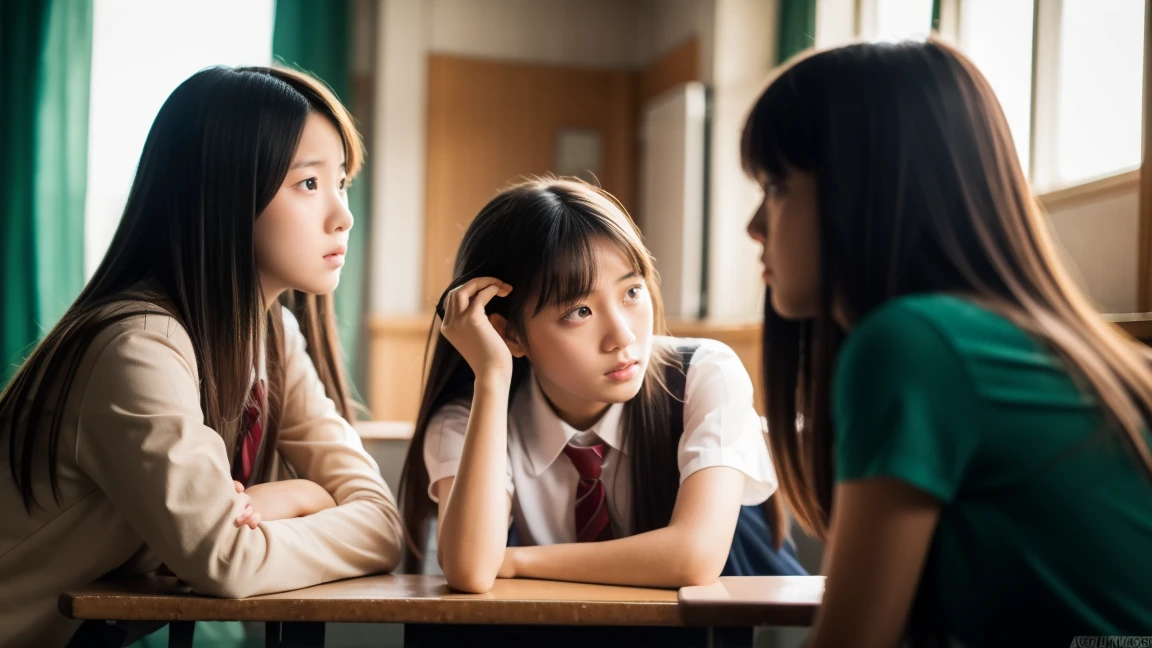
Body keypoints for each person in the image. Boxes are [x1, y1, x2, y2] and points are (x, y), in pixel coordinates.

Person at [743, 39, 1152, 647]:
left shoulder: (913, 346)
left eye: (775, 186)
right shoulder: (1039, 345)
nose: (755, 225)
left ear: (862, 189)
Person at [0, 66, 403, 647]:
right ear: (223, 194)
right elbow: (227, 560)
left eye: (342, 182)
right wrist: (315, 496)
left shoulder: (275, 336)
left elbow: (383, 524)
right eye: (309, 185)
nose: (343, 215)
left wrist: (291, 495)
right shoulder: (137, 348)